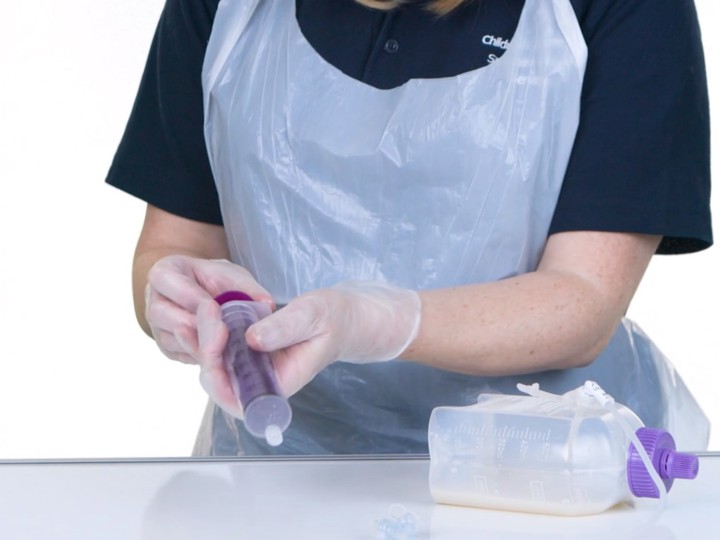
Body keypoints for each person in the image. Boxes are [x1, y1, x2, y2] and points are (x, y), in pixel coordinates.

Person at [106, 0, 713, 456]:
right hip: (283, 465)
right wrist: (177, 301)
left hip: (557, 470)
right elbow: (175, 242)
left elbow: (584, 300)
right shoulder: (228, 11)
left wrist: (374, 320)